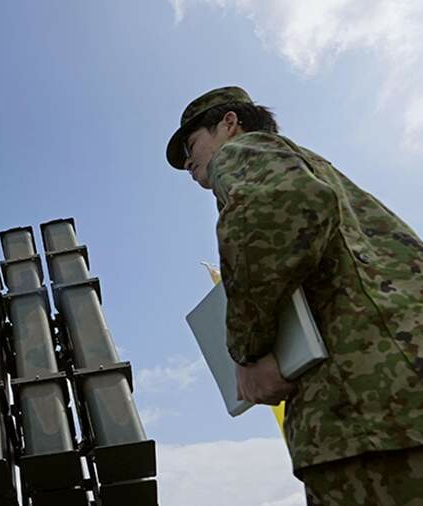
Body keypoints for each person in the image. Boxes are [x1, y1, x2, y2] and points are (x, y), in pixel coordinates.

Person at [166, 86, 423, 505]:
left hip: (367, 410)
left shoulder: (242, 151)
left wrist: (249, 352)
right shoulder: (315, 167)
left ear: (229, 124)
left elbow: (280, 206)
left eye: (191, 145)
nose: (189, 164)